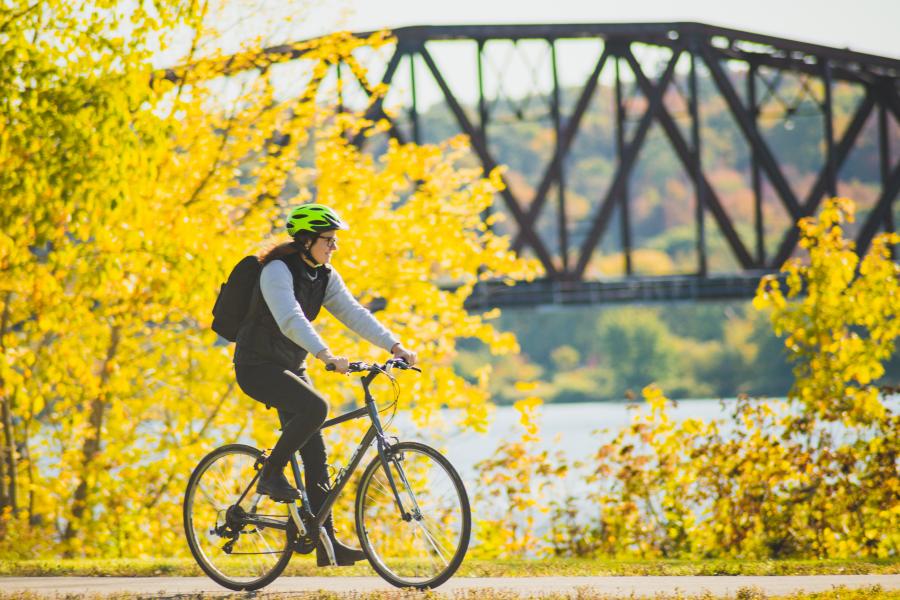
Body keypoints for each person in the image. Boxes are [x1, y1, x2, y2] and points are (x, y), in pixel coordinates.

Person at [233, 203, 417, 567]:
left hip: (289, 367)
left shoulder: (323, 276)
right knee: (317, 408)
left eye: (334, 241)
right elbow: (290, 319)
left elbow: (354, 313)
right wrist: (325, 354)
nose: (334, 247)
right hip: (256, 366)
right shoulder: (276, 271)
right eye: (328, 240)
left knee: (316, 454)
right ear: (305, 241)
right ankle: (270, 475)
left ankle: (325, 542)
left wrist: (394, 345)